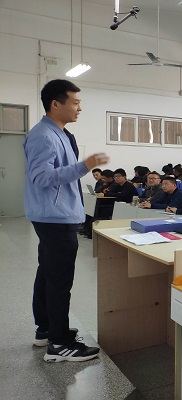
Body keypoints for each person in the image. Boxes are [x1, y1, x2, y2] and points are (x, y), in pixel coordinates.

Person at [25, 79, 108, 362]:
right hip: (54, 216)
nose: (79, 108)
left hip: (55, 214)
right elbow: (41, 178)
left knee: (48, 273)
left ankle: (46, 329)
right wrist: (84, 166)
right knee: (59, 280)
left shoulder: (59, 133)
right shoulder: (44, 136)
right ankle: (59, 344)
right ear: (55, 104)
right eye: (75, 102)